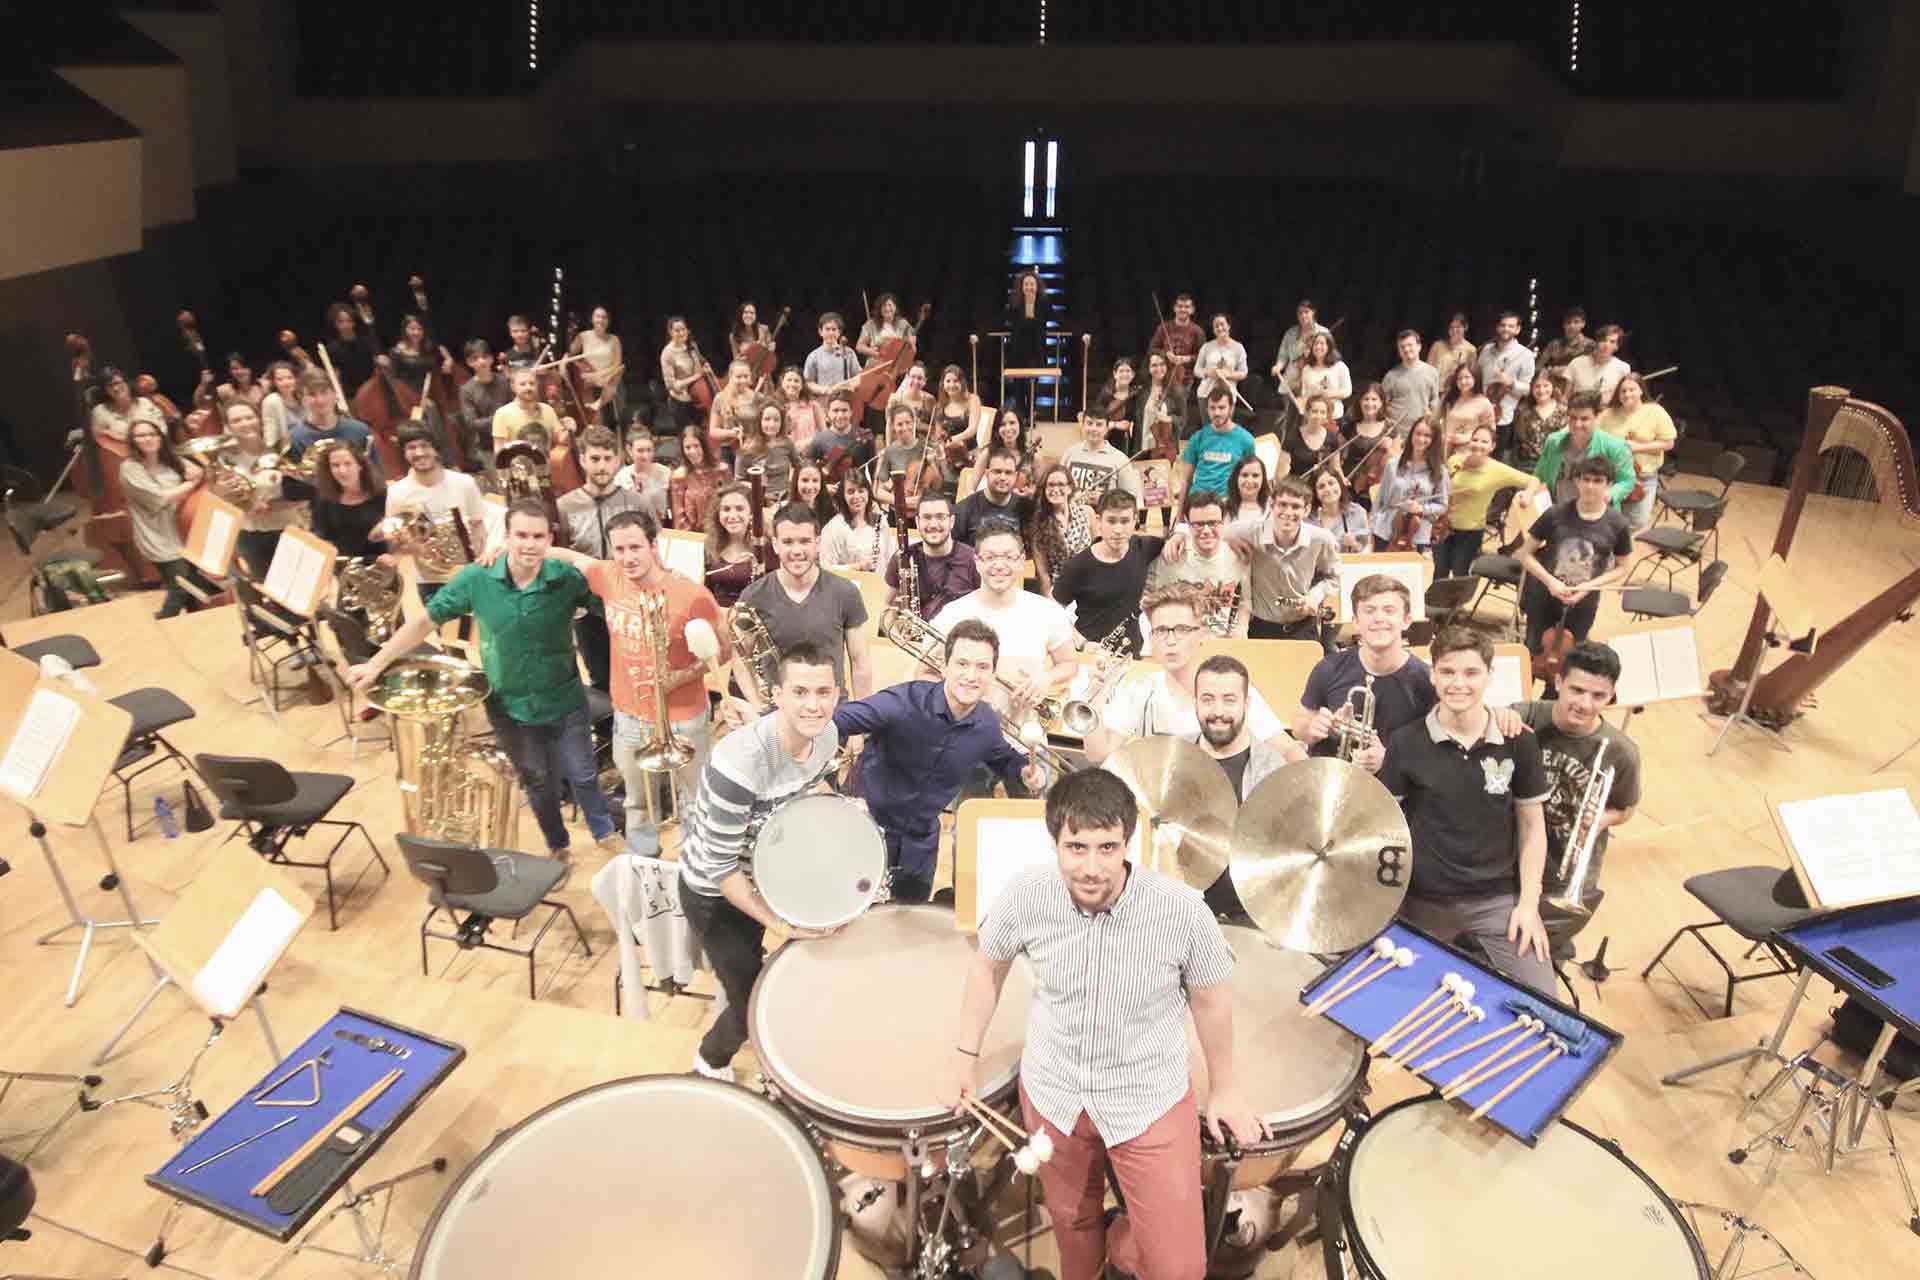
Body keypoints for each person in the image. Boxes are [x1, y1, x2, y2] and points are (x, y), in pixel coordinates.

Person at [938, 768, 1261, 1280]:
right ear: (1055, 843)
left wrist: (1225, 1088)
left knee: (1179, 1269)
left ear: (1128, 843)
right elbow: (988, 965)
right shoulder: (1026, 893)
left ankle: (1124, 1240)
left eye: (1107, 848)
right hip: (1054, 1092)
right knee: (1071, 1226)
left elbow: (1211, 1001)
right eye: (1077, 847)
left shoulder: (1181, 911)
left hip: (1147, 1099)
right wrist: (964, 1055)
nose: (1092, 867)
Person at [350, 499, 621, 864]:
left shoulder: (564, 577)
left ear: (549, 538)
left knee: (585, 774)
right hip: (509, 707)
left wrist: (564, 554)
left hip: (565, 699)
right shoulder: (477, 578)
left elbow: (615, 596)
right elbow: (423, 622)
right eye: (520, 535)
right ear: (505, 536)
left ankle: (603, 831)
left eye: (538, 536)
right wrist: (377, 662)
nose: (529, 544)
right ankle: (557, 845)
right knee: (538, 782)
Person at [679, 642, 844, 1080]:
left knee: (790, 966)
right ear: (777, 696)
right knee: (751, 993)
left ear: (837, 694)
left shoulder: (827, 735)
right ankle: (708, 1062)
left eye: (823, 692)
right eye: (801, 692)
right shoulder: (740, 765)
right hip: (715, 893)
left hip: (769, 870)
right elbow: (721, 868)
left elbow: (816, 784)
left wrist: (843, 815)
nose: (814, 705)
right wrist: (780, 923)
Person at [542, 509, 729, 859]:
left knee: (694, 799)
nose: (627, 558)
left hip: (683, 716)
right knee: (636, 800)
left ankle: (697, 864)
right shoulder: (609, 575)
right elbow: (568, 556)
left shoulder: (691, 595)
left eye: (635, 548)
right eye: (619, 549)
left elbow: (721, 651)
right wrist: (507, 548)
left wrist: (678, 678)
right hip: (629, 715)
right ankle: (644, 862)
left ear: (654, 546)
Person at [1379, 627, 1553, 996]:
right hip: (1422, 901)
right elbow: (1386, 827)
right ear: (1432, 674)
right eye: (1447, 672)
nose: (1459, 683)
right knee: (1393, 1005)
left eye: (1471, 673)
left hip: (1496, 902)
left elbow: (1532, 828)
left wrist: (1528, 904)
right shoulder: (1405, 742)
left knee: (1547, 1008)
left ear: (1490, 675)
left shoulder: (1518, 741)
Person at [834, 619, 1048, 902]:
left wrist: (1025, 772)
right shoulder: (902, 703)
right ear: (945, 667)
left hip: (919, 846)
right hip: (865, 832)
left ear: (993, 674)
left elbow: (1005, 759)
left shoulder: (986, 724)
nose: (971, 675)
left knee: (909, 928)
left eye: (982, 667)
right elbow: (834, 721)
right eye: (962, 664)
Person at [1512, 641, 1640, 947]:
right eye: (1577, 690)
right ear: (1558, 682)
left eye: (1598, 696)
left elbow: (1626, 808)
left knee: (1539, 947)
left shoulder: (1621, 752)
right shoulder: (1525, 716)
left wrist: (1601, 819)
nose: (1584, 703)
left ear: (1611, 696)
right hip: (1511, 852)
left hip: (1563, 871)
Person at [1086, 582, 1298, 765]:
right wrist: (1095, 699)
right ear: (1151, 638)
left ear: (1202, 633)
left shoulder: (1229, 689)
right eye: (1161, 630)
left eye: (1181, 629)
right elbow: (1097, 753)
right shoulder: (1142, 690)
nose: (1170, 640)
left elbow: (1288, 750)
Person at [1184, 653, 1305, 918]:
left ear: (1246, 703)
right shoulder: (1170, 759)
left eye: (1229, 700)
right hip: (1183, 913)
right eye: (1207, 699)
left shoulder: (1274, 770)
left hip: (1252, 917)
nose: (1218, 712)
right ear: (1194, 702)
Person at [930, 521, 1078, 729]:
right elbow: (924, 674)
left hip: (1026, 740)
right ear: (977, 562)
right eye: (989, 557)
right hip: (961, 737)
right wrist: (961, 697)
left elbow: (1070, 663)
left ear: (1021, 561)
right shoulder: (952, 614)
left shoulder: (1047, 612)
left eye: (1009, 557)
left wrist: (1046, 678)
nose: (999, 565)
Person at [730, 503, 872, 708]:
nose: (797, 551)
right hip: (777, 717)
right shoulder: (753, 596)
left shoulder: (845, 592)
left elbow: (860, 663)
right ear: (775, 544)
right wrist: (757, 708)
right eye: (788, 542)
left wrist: (859, 724)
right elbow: (741, 659)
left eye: (805, 541)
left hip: (832, 715)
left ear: (817, 542)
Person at [1294, 574, 1430, 774]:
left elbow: (1434, 753)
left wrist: (1389, 759)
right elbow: (1299, 726)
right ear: (1356, 622)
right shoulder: (1329, 668)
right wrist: (1312, 729)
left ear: (1406, 620)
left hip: (1394, 790)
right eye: (1369, 611)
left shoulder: (1425, 680)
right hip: (1331, 781)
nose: (1379, 618)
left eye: (1389, 610)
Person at [557, 426, 651, 691]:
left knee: (639, 674)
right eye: (595, 459)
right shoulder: (564, 506)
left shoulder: (637, 502)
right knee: (600, 676)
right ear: (582, 459)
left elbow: (654, 550)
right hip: (586, 606)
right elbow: (559, 554)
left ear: (619, 460)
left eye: (608, 458)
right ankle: (608, 730)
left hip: (632, 603)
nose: (602, 466)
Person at [1517, 455, 1635, 664]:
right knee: (1533, 653)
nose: (1590, 486)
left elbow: (1623, 567)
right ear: (1577, 481)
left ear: (1609, 484)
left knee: (1570, 660)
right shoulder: (1555, 514)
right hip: (1543, 597)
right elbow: (1524, 554)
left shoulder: (1617, 524)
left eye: (1598, 481)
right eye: (1586, 479)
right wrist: (1550, 581)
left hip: (1583, 603)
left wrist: (1589, 587)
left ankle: (1553, 694)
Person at [378, 426, 490, 604]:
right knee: (445, 633)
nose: (420, 453)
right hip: (431, 581)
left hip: (470, 574)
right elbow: (396, 542)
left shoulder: (464, 483)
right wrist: (416, 548)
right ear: (404, 453)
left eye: (425, 446)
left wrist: (479, 565)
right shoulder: (396, 493)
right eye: (411, 448)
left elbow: (478, 526)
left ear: (436, 449)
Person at [119, 419, 216, 618]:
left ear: (160, 437)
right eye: (141, 435)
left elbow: (199, 473)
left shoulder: (170, 460)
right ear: (133, 441)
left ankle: (194, 625)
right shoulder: (130, 468)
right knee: (180, 587)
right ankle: (163, 622)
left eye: (152, 434)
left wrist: (200, 473)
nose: (148, 439)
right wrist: (190, 484)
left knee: (196, 588)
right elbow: (159, 499)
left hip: (183, 531)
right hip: (158, 538)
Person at [1226, 476, 1341, 644]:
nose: (1288, 512)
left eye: (1296, 507)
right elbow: (1212, 529)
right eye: (1282, 505)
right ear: (1272, 505)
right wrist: (1228, 538)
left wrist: (1315, 596)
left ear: (1307, 510)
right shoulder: (1251, 531)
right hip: (1260, 628)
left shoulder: (1322, 539)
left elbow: (1333, 577)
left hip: (1302, 627)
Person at [1050, 489, 1162, 656]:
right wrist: (1081, 643)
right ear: (1098, 521)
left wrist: (1178, 535)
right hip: (1089, 656)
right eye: (1111, 521)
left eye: (1125, 521)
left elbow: (1177, 543)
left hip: (1131, 654)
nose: (1118, 529)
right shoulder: (1078, 564)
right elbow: (1051, 611)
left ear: (1135, 521)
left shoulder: (1144, 547)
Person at [1437, 423, 1535, 579]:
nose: (1478, 445)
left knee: (1460, 573)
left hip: (1470, 531)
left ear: (1493, 446)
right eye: (1475, 440)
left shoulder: (1498, 470)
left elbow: (1533, 480)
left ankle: (1455, 604)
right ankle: (1434, 603)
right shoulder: (1454, 460)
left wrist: (1527, 495)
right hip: (1443, 525)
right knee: (1439, 571)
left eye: (1484, 442)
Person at [1151, 490, 1250, 637]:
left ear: (1223, 521)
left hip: (1227, 641)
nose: (1206, 531)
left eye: (1213, 523)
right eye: (1198, 524)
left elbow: (1246, 600)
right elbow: (1158, 606)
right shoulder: (1173, 558)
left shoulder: (1238, 556)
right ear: (1187, 523)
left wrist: (1242, 627)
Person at [220, 401, 303, 578]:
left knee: (294, 594)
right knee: (264, 591)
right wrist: (242, 504)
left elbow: (305, 494)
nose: (244, 423)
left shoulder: (281, 452)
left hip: (287, 530)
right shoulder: (224, 458)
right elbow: (223, 498)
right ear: (228, 427)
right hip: (249, 536)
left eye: (249, 417)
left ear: (259, 419)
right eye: (236, 420)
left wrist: (273, 506)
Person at [1596, 373, 1676, 529]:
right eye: (1623, 391)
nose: (1627, 394)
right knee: (1606, 524)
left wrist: (1638, 447)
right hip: (1612, 478)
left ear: (1641, 391)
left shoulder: (1655, 411)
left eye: (1632, 389)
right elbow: (1594, 436)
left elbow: (1668, 443)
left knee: (1634, 524)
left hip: (1642, 478)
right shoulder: (1608, 413)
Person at [885, 490, 977, 620]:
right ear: (917, 522)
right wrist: (895, 634)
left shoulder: (973, 560)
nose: (933, 524)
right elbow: (886, 606)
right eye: (927, 517)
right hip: (914, 639)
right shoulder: (902, 558)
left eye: (940, 517)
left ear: (952, 521)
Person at [1535, 391, 1636, 508]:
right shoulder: (1554, 442)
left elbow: (1627, 481)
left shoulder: (1615, 447)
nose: (1577, 424)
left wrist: (1610, 494)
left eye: (1584, 419)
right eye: (1573, 418)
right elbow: (1539, 475)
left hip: (1597, 517)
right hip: (1560, 514)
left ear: (1596, 418)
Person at [1370, 416, 1450, 554]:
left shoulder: (1440, 471)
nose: (1420, 439)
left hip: (1416, 533)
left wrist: (1422, 508)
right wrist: (1373, 523)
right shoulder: (1393, 464)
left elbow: (1442, 506)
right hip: (1385, 528)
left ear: (1434, 440)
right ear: (1411, 434)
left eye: (1427, 436)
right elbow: (1380, 499)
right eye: (1417, 433)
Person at [1175, 389, 1257, 511]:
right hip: (1197, 503)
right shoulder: (1198, 437)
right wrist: (1179, 518)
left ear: (1231, 409)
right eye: (1212, 408)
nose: (1216, 413)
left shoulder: (1246, 440)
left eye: (1221, 408)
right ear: (1207, 410)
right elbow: (1186, 481)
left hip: (1227, 504)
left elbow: (1250, 481)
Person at [309, 439, 387, 560]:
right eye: (335, 465)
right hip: (343, 568)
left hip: (382, 565)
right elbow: (321, 537)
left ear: (360, 465)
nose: (342, 471)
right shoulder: (324, 499)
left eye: (348, 464)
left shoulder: (382, 494)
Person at [951, 446, 1036, 548]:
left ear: (1015, 476)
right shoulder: (964, 509)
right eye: (997, 471)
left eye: (1008, 473)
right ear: (987, 474)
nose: (1003, 478)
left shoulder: (1026, 508)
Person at [1059, 412, 1142, 509]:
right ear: (1082, 426)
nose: (1093, 429)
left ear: (1107, 429)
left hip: (1104, 521)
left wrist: (1105, 499)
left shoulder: (1120, 459)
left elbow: (1130, 498)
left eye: (1099, 425)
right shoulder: (1070, 454)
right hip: (1072, 519)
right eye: (1089, 423)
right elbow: (1059, 486)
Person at [818, 469, 892, 576]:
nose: (856, 496)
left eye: (861, 491)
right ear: (843, 496)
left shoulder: (881, 521)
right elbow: (825, 569)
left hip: (880, 587)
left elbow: (888, 559)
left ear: (868, 493)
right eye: (851, 492)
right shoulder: (833, 528)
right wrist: (857, 567)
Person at [1475, 309, 1536, 434]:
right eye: (1503, 325)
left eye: (1511, 326)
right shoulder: (1486, 350)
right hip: (1481, 414)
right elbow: (1477, 376)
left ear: (1517, 329)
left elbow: (1527, 390)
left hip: (1505, 417)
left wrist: (1511, 383)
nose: (1506, 329)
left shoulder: (1526, 355)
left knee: (1500, 454)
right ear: (1497, 327)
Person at [701, 482, 760, 608]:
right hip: (719, 617)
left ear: (751, 513)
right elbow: (707, 589)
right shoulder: (710, 545)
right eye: (726, 509)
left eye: (739, 508)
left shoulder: (764, 546)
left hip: (754, 621)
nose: (732, 516)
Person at [457, 339, 513, 467]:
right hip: (487, 445)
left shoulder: (504, 381)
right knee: (501, 484)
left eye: (484, 357)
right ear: (469, 363)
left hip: (511, 438)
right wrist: (498, 418)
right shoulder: (466, 390)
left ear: (491, 359)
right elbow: (471, 423)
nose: (481, 361)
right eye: (475, 358)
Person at [293, 369, 372, 457]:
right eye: (312, 394)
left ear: (335, 394)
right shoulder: (295, 439)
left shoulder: (360, 431)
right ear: (301, 398)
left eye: (324, 392)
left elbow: (372, 469)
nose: (320, 400)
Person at [570, 304, 625, 424]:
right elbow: (569, 356)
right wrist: (581, 367)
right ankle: (597, 409)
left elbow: (617, 364)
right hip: (590, 379)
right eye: (598, 316)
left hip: (609, 376)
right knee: (597, 381)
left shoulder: (614, 339)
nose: (601, 320)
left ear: (608, 321)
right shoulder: (583, 336)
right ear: (592, 319)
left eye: (604, 317)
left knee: (619, 371)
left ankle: (599, 403)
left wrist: (600, 375)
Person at [735, 400, 799, 501]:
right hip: (761, 499)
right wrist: (756, 488)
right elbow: (739, 481)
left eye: (776, 420)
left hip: (786, 497)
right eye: (767, 419)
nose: (772, 424)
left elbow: (799, 465)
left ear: (782, 423)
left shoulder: (787, 443)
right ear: (759, 421)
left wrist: (793, 484)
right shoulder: (747, 449)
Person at [670, 426, 730, 533]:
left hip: (722, 532)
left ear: (704, 446)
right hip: (694, 536)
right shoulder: (679, 476)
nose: (692, 451)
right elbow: (679, 517)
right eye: (688, 447)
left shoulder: (722, 470)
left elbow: (730, 503)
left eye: (696, 446)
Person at [89, 367, 166, 449]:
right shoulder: (100, 411)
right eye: (109, 386)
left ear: (128, 383)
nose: (115, 388)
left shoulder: (145, 403)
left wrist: (121, 438)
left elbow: (162, 430)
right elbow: (102, 439)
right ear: (105, 391)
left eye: (117, 383)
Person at [1381, 329, 1441, 431]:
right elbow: (1382, 404)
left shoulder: (1432, 372)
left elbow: (1434, 400)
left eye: (1410, 345)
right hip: (1396, 432)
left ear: (1419, 346)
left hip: (1421, 430)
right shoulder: (1391, 376)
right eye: (1402, 347)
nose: (1406, 349)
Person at [491, 367, 563, 451]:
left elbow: (560, 440)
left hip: (547, 463)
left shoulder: (547, 410)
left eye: (532, 383)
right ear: (513, 387)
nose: (528, 387)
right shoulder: (502, 414)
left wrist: (569, 430)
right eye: (523, 384)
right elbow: (500, 451)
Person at [659, 316, 708, 433]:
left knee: (700, 436)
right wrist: (697, 376)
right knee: (687, 437)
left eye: (683, 329)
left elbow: (699, 368)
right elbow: (671, 385)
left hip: (697, 399)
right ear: (670, 332)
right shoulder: (667, 354)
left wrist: (705, 367)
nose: (681, 333)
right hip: (680, 402)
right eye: (677, 330)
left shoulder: (692, 346)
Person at [1193, 312, 1249, 414]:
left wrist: (1228, 374)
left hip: (1228, 395)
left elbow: (1243, 372)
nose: (1219, 328)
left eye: (1222, 324)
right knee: (1208, 429)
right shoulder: (1206, 347)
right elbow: (1197, 370)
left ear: (1228, 326)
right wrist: (1208, 372)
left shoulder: (1238, 348)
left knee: (1225, 429)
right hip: (1206, 393)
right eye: (1216, 326)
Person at [1508, 369, 1565, 468]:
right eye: (1537, 386)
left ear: (1553, 386)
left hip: (1555, 463)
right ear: (1531, 388)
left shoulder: (1563, 410)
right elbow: (1521, 440)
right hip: (1528, 464)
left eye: (1546, 385)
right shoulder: (1524, 411)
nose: (1541, 390)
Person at [613, 428, 672, 523]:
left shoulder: (665, 472)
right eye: (640, 451)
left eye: (649, 450)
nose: (646, 456)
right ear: (629, 450)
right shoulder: (621, 478)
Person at [1291, 332, 1351, 424]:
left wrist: (1324, 394)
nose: (1318, 347)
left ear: (1329, 347)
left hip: (1333, 418)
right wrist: (1301, 401)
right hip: (1312, 420)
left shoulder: (1340, 366)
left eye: (1322, 344)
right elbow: (1305, 394)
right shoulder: (1307, 369)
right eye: (1316, 344)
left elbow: (1347, 391)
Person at [1307, 467, 1370, 554]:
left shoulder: (1357, 512)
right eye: (1321, 487)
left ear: (1340, 485)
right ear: (1315, 493)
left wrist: (1354, 545)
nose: (1328, 489)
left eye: (1331, 483)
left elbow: (1366, 552)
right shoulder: (1308, 517)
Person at [1149, 292, 1204, 392]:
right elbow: (1152, 349)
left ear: (1192, 310)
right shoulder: (1163, 327)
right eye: (1180, 306)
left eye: (1187, 307)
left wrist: (1186, 359)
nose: (1183, 309)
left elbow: (1203, 357)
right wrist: (1166, 354)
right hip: (1162, 376)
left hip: (1185, 379)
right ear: (1175, 308)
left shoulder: (1197, 331)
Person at [1438, 360, 1497, 452]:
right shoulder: (1449, 397)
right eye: (1459, 378)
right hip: (1444, 447)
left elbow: (1490, 431)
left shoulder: (1484, 403)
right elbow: (1438, 420)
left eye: (1467, 377)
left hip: (1468, 450)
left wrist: (1468, 437)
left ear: (1476, 378)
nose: (1463, 381)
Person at [1565, 324, 1631, 407]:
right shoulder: (1576, 363)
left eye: (1612, 342)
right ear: (1597, 342)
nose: (1606, 345)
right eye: (1603, 340)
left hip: (1609, 414)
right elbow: (1566, 397)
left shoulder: (1624, 368)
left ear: (1616, 347)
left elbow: (1625, 399)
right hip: (1580, 414)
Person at [1281, 395, 1343, 482]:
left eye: (1322, 412)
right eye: (1314, 411)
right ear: (1307, 413)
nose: (1318, 416)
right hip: (1299, 486)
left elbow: (1336, 467)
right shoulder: (1293, 437)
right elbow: (1281, 473)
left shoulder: (1332, 438)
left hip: (1322, 486)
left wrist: (1342, 480)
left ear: (1327, 416)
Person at [803, 312, 863, 401]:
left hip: (846, 401)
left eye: (834, 329)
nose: (831, 333)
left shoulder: (849, 352)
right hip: (823, 402)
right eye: (827, 329)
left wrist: (850, 385)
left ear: (839, 332)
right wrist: (826, 390)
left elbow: (859, 376)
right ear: (820, 332)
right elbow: (808, 382)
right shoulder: (813, 356)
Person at [1272, 298, 1331, 386]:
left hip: (1317, 376)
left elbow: (1330, 357)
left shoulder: (1324, 332)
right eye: (1300, 313)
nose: (1303, 316)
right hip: (1292, 376)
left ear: (1313, 312)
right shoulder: (1290, 333)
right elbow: (1283, 355)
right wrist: (1278, 366)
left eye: (1306, 312)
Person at [708, 359, 760, 452]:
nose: (743, 380)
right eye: (739, 377)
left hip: (754, 449)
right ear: (730, 376)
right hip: (730, 450)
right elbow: (713, 431)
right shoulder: (720, 398)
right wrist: (731, 433)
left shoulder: (759, 398)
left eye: (746, 376)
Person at [1005, 270, 1049, 372]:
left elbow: (1058, 318)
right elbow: (1000, 319)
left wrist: (1080, 333)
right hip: (1017, 354)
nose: (1029, 288)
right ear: (1021, 287)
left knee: (1034, 385)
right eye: (1026, 284)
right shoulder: (1015, 303)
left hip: (1037, 354)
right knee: (1019, 386)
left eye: (1032, 284)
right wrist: (980, 333)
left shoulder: (1043, 303)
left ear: (1037, 286)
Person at [260, 361, 308, 451]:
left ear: (296, 379)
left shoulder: (304, 396)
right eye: (280, 379)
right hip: (290, 449)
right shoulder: (271, 401)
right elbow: (270, 430)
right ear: (274, 382)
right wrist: (270, 452)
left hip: (310, 444)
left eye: (290, 378)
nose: (286, 382)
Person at [776, 366, 822, 455]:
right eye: (789, 380)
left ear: (802, 385)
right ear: (782, 383)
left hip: (810, 453)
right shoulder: (775, 405)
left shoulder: (813, 405)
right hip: (784, 454)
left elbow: (824, 433)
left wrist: (808, 441)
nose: (792, 384)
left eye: (796, 381)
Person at [1426, 312, 1476, 391]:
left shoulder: (1470, 350)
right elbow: (1427, 371)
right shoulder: (1437, 346)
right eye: (1451, 327)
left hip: (1457, 394)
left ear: (1465, 328)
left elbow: (1471, 376)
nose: (1454, 330)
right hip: (1436, 392)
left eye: (1458, 327)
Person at [1540, 306, 1595, 376]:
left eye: (1576, 322)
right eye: (1568, 322)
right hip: (1553, 383)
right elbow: (1539, 366)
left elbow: (1591, 369)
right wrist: (1548, 370)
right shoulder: (1554, 344)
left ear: (1583, 324)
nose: (1571, 326)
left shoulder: (1590, 345)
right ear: (1564, 325)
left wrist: (1564, 370)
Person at [789, 459, 837, 529]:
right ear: (796, 482)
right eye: (805, 480)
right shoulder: (786, 513)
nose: (809, 487)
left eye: (815, 480)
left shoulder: (829, 508)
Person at [1225, 454, 1269, 525]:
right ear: (1236, 478)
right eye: (1244, 475)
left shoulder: (1271, 508)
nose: (1249, 480)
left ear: (1263, 479)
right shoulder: (1223, 508)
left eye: (1255, 475)